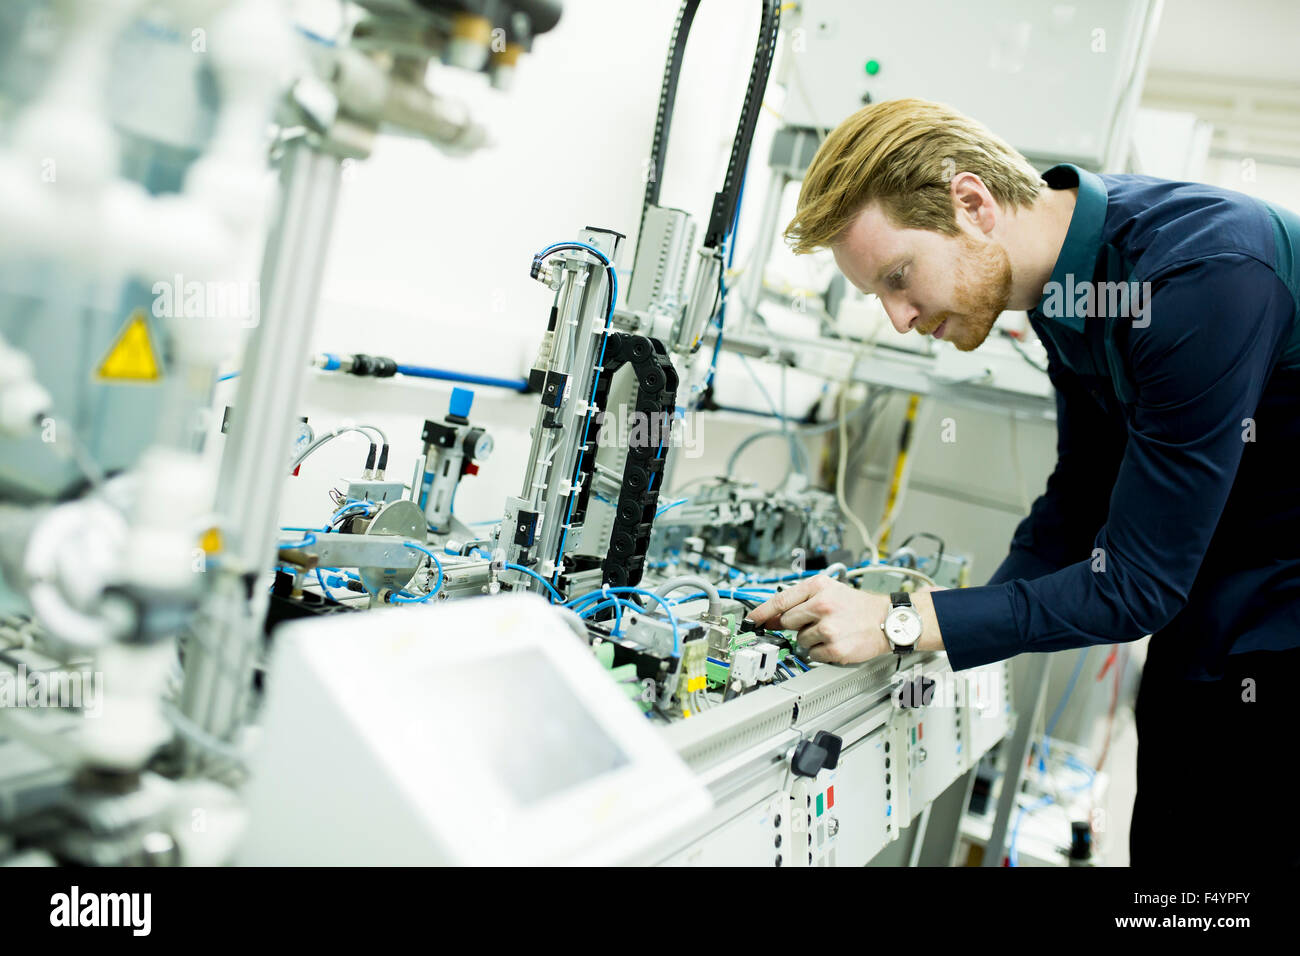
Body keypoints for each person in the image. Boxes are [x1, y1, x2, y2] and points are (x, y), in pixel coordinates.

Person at [745, 98, 1300, 867]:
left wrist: (907, 622)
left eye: (899, 277)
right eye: (879, 296)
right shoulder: (1058, 288)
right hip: (1209, 624)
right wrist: (939, 634)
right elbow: (1079, 498)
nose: (900, 319)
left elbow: (1135, 587)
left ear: (972, 204)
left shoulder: (1197, 279)